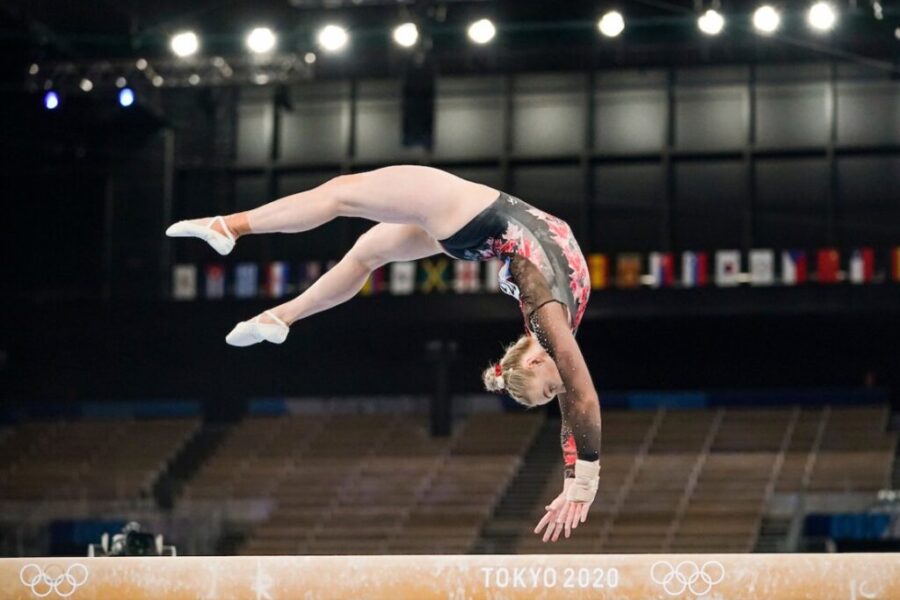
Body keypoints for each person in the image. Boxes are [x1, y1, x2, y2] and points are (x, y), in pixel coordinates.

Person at [166, 165, 602, 542]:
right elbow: (580, 398)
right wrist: (581, 480)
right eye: (552, 390)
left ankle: (236, 232)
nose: (560, 388)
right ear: (533, 362)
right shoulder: (552, 328)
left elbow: (575, 401)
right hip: (478, 227)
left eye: (550, 390)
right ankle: (281, 315)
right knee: (364, 253)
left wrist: (577, 477)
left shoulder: (548, 322)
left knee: (340, 194)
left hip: (475, 219)